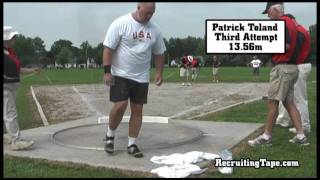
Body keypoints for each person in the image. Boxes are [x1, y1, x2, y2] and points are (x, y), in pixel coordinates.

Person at [102, 3, 166, 158]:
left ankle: (132, 144)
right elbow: (108, 49)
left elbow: (159, 52)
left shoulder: (155, 30)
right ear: (138, 8)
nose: (149, 16)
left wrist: (159, 72)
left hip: (142, 76)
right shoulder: (121, 24)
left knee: (137, 110)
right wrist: (107, 72)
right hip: (121, 74)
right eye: (147, 12)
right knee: (120, 105)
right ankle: (110, 137)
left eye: (152, 13)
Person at [248, 2, 309, 147]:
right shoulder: (293, 24)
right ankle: (300, 135)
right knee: (289, 103)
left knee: (272, 102)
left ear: (275, 10)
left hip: (283, 68)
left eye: (268, 12)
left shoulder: (282, 23)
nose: (268, 16)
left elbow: (286, 44)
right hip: (292, 67)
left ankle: (266, 136)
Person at [276, 14, 312, 134]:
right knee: (289, 95)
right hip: (302, 65)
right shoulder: (302, 30)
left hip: (300, 65)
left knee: (299, 98)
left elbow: (292, 48)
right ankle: (284, 120)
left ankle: (304, 125)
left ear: (291, 21)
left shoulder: (298, 31)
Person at [3, 26, 35, 150]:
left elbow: (17, 69)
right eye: (13, 37)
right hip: (5, 87)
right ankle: (16, 141)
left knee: (7, 112)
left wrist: (32, 70)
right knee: (11, 113)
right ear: (6, 39)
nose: (15, 39)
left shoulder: (9, 52)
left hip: (11, 87)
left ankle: (9, 136)